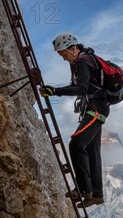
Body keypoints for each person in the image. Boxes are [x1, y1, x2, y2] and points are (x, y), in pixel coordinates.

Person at [39, 32, 109, 208]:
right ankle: (97, 194)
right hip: (96, 108)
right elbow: (77, 86)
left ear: (73, 48)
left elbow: (82, 88)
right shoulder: (82, 61)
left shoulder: (82, 61)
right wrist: (54, 90)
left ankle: (84, 189)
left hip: (95, 110)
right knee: (92, 152)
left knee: (76, 145)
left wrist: (55, 92)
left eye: (63, 54)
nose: (63, 59)